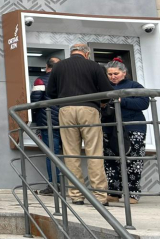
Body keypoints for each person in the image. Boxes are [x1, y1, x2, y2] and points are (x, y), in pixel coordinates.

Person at [46, 43, 113, 206]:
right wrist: (102, 102)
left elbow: (50, 92)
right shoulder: (94, 66)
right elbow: (106, 91)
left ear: (71, 53)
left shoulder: (58, 66)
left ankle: (76, 195)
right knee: (94, 152)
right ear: (87, 53)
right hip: (89, 109)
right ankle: (99, 196)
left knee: (71, 153)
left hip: (66, 110)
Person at [103, 58, 149, 204]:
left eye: (115, 73)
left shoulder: (135, 85)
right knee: (111, 161)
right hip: (110, 128)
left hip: (133, 127)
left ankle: (133, 194)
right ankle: (114, 193)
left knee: (133, 161)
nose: (113, 77)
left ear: (124, 73)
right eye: (110, 74)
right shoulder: (104, 87)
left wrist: (121, 100)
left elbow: (144, 103)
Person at [31, 56, 61, 196]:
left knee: (51, 154)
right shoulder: (65, 80)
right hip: (66, 121)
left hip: (48, 122)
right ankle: (73, 186)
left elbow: (35, 101)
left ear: (46, 66)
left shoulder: (41, 80)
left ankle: (54, 185)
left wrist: (34, 117)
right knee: (68, 153)